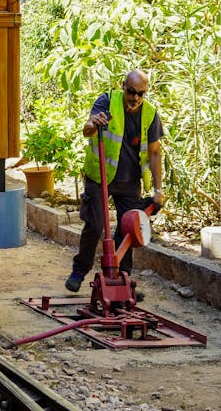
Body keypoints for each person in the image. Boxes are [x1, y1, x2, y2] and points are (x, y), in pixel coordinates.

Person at [65, 69, 165, 293]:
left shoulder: (150, 114)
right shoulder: (107, 101)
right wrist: (94, 122)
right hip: (100, 176)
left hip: (129, 182)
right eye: (131, 92)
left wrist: (159, 189)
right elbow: (87, 130)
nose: (135, 98)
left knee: (127, 229)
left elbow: (155, 152)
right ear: (123, 86)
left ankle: (122, 281)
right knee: (95, 224)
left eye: (141, 94)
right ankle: (79, 271)